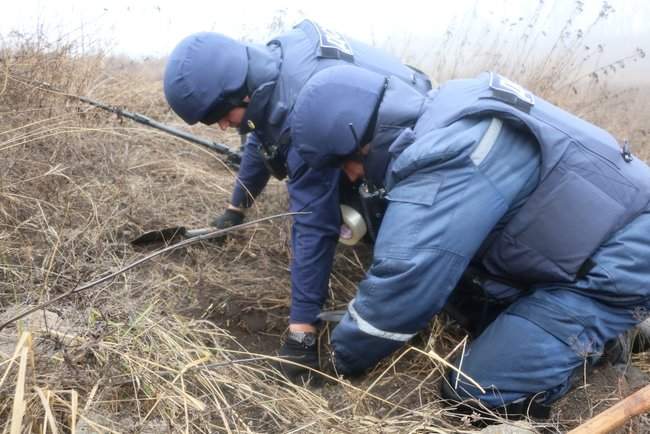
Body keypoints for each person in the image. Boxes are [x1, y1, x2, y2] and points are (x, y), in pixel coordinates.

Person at [289, 64, 650, 416]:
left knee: (475, 391)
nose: (350, 178)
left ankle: (602, 345)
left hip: (623, 260)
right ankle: (617, 330)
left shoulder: (446, 156)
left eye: (343, 166)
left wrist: (337, 360)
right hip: (598, 243)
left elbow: (403, 287)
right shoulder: (445, 108)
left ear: (358, 141)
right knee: (468, 303)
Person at [162, 21, 432, 381]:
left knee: (364, 213)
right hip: (378, 109)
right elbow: (260, 136)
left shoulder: (303, 114)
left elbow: (313, 223)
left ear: (240, 93)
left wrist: (301, 331)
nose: (223, 127)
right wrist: (235, 208)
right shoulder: (270, 65)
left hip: (412, 138)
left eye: (219, 115)